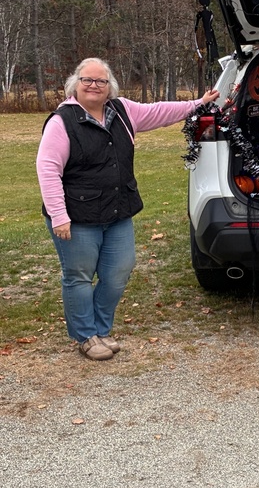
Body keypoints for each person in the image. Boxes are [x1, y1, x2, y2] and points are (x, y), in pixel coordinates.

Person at [36, 57, 220, 361]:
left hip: (117, 211)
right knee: (79, 275)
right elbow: (47, 169)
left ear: (110, 87)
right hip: (77, 217)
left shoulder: (121, 111)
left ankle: (100, 329)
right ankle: (86, 336)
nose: (94, 86)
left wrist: (197, 103)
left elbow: (159, 111)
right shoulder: (62, 121)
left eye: (101, 81)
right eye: (87, 80)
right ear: (75, 84)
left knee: (118, 271)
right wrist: (59, 216)